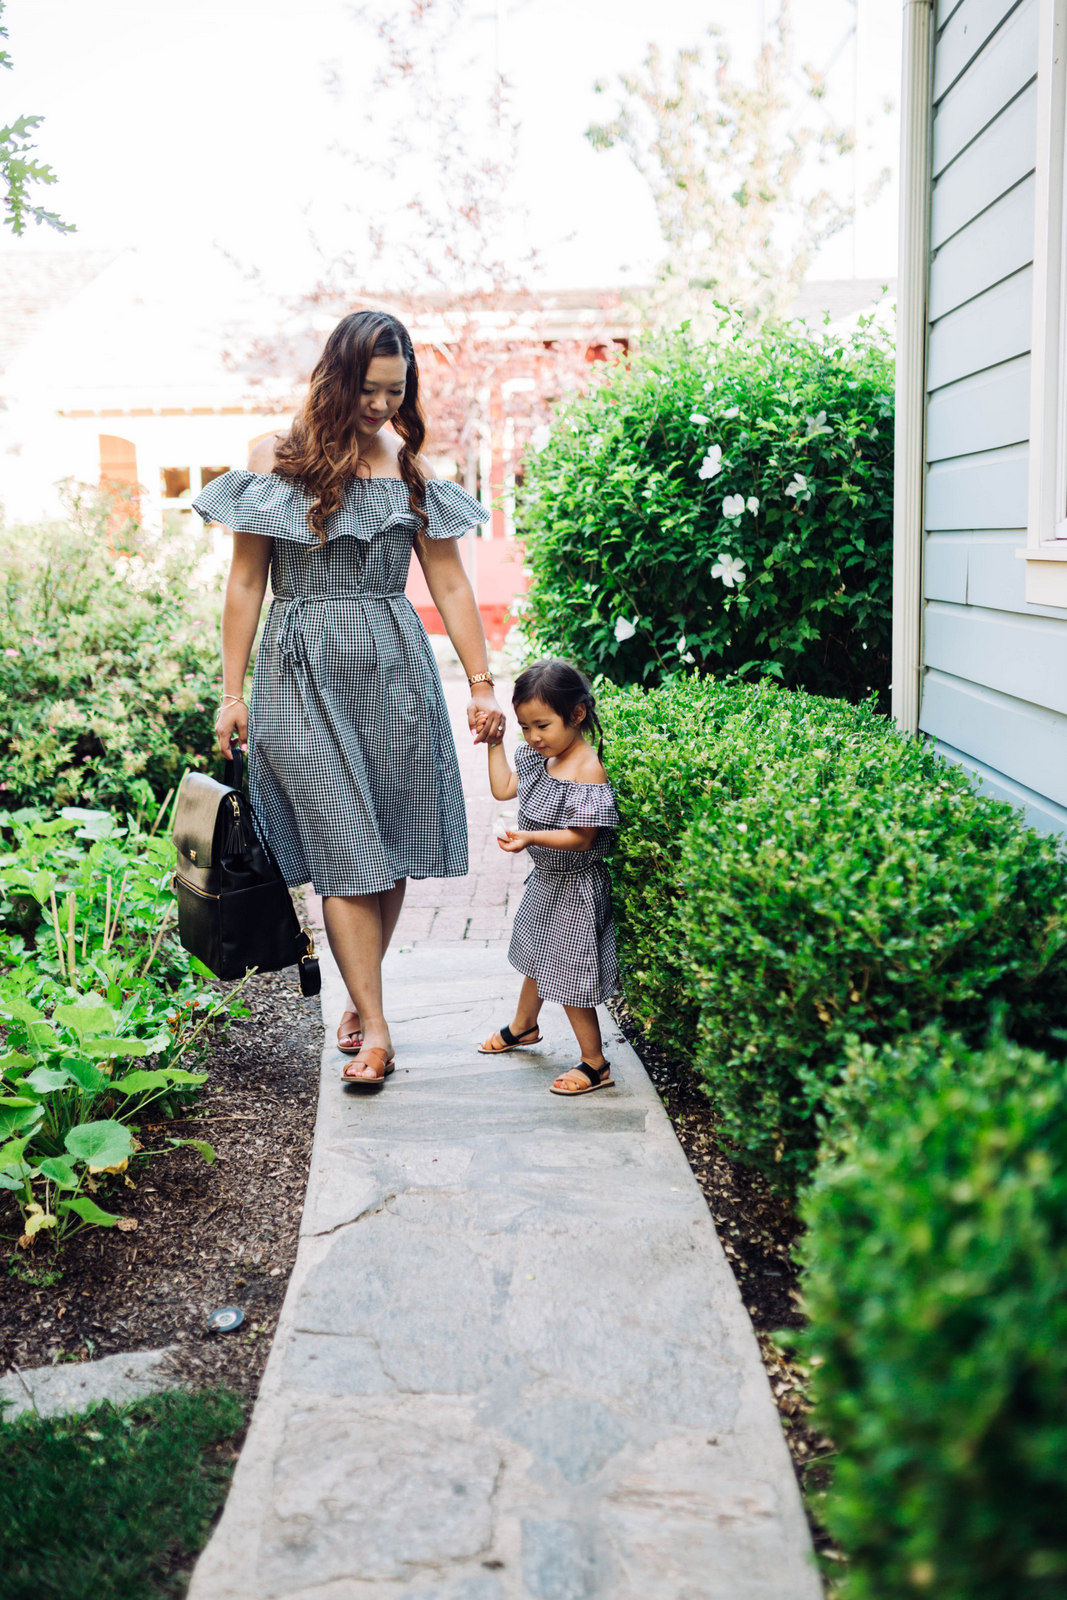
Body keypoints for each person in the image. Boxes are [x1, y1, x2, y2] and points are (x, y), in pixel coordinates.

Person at [195, 309, 506, 1090]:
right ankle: (377, 1029)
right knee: (342, 852)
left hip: (393, 666)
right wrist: (232, 692)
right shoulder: (275, 456)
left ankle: (362, 1000)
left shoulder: (407, 464)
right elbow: (244, 581)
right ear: (335, 379)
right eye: (368, 390)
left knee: (387, 844)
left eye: (394, 390)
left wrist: (478, 683)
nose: (380, 406)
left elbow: (448, 582)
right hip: (296, 668)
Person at [477, 659, 619, 1095]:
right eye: (524, 727)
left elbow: (581, 838)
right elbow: (503, 788)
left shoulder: (585, 767)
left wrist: (529, 837)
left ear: (576, 715)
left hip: (576, 887)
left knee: (570, 972)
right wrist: (494, 743)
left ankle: (595, 1063)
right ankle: (524, 1025)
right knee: (537, 953)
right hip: (547, 881)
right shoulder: (541, 757)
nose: (534, 737)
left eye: (542, 725)